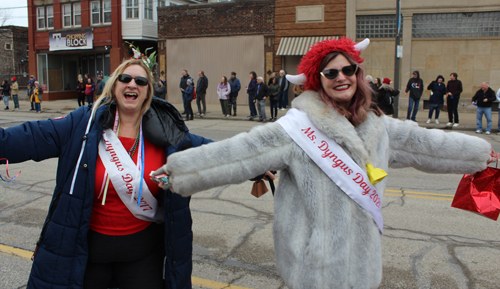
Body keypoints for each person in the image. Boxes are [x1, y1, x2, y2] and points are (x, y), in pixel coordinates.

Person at [153, 37, 492, 289]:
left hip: (362, 266)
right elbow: (240, 152)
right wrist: (179, 172)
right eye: (331, 72)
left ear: (358, 73)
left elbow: (431, 146)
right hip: (310, 267)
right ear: (318, 79)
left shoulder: (379, 127)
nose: (341, 76)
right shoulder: (296, 129)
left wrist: (481, 154)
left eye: (348, 69)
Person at [0, 59, 212, 288]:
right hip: (87, 255)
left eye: (141, 81)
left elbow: (217, 155)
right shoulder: (82, 122)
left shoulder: (170, 133)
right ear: (114, 85)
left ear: (148, 92)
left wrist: (255, 164)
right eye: (125, 78)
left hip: (142, 257)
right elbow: (30, 137)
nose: (133, 84)